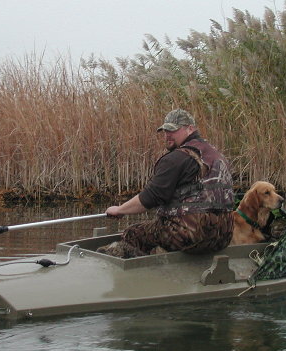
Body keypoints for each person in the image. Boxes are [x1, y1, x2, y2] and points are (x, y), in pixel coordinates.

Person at [100, 109, 235, 258]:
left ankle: (144, 277)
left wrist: (119, 210)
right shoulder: (217, 156)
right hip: (223, 235)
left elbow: (150, 197)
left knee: (133, 233)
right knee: (156, 228)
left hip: (191, 235)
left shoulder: (176, 159)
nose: (167, 135)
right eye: (165, 130)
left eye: (173, 130)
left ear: (190, 129)